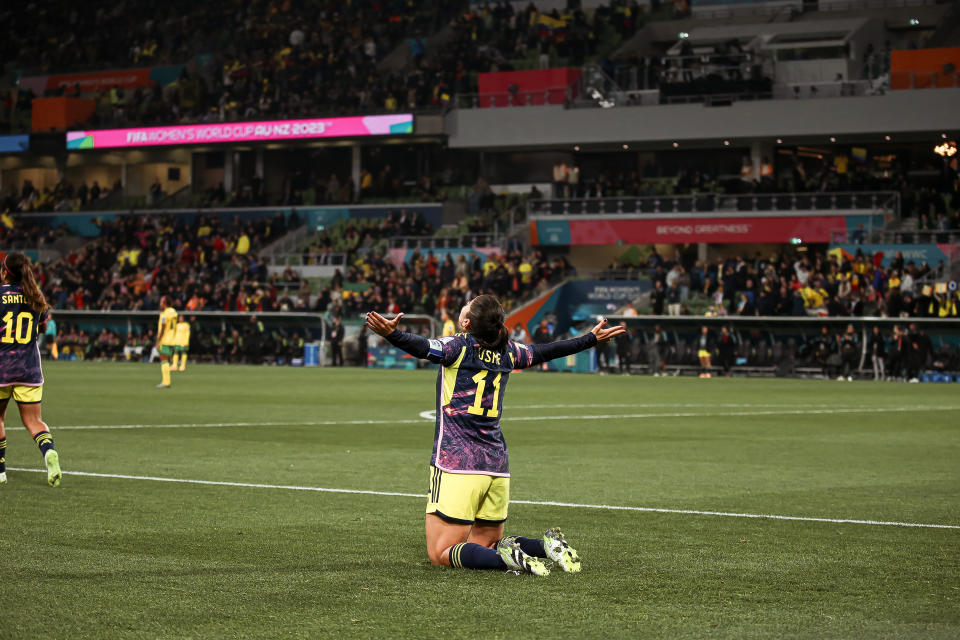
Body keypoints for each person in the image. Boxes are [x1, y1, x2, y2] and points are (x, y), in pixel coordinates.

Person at [364, 295, 625, 576]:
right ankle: (545, 547)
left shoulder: (456, 347)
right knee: (486, 543)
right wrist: (589, 339)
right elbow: (547, 351)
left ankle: (509, 559)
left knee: (441, 552)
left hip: (457, 464)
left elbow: (421, 347)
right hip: (496, 465)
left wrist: (392, 333)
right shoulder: (509, 352)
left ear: (466, 322)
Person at [0, 252, 62, 487]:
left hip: (2, 367)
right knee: (34, 421)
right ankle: (48, 452)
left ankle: (1, 471)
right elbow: (44, 327)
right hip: (29, 369)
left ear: (6, 272)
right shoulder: (35, 296)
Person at [155, 297, 178, 388]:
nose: (160, 303)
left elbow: (163, 328)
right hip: (172, 339)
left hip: (165, 340)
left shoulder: (164, 314)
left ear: (164, 303)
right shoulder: (174, 312)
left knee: (163, 360)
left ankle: (166, 382)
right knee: (166, 360)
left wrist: (158, 341)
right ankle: (166, 381)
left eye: (161, 301)